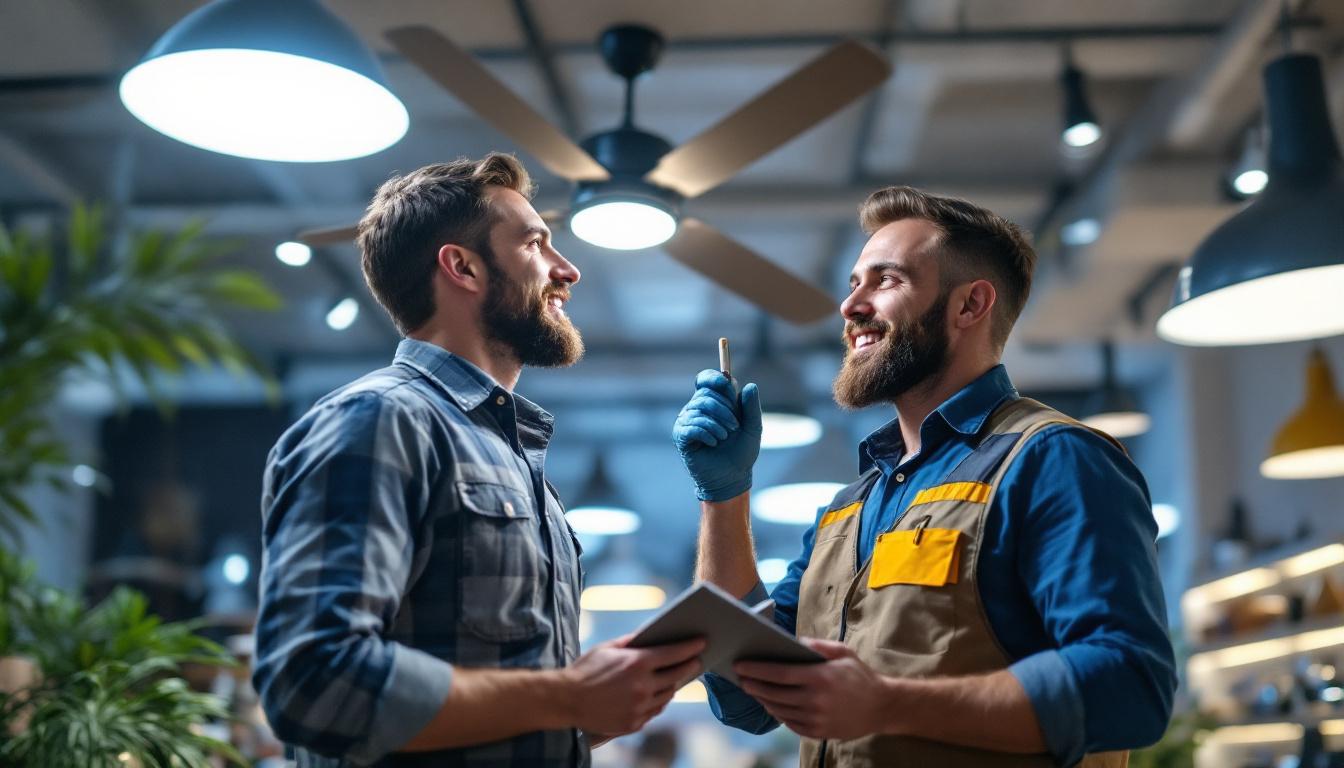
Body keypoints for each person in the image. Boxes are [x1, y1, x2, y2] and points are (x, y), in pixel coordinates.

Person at [673, 187, 1176, 767]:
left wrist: (888, 704)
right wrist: (724, 496)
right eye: (853, 283)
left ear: (969, 305)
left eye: (885, 281)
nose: (851, 306)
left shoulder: (1054, 459)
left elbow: (1130, 687)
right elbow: (746, 699)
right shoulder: (850, 507)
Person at [254, 153, 704, 768]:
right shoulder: (381, 421)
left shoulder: (514, 458)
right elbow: (312, 683)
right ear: (462, 267)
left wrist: (592, 707)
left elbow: (510, 713)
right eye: (536, 245)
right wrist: (567, 695)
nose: (567, 270)